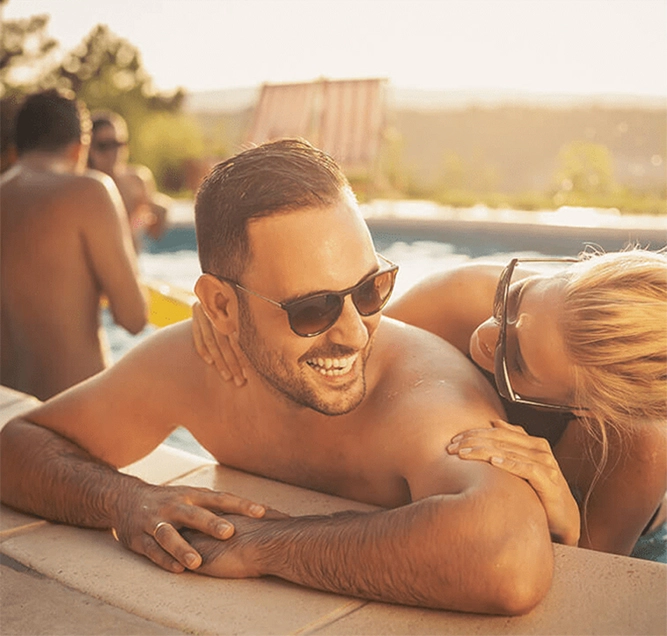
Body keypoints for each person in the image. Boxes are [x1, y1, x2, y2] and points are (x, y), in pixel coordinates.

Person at [0, 139, 554, 616]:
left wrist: (269, 546)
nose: (356, 334)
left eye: (369, 291)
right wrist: (124, 499)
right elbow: (18, 447)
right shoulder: (199, 366)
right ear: (220, 308)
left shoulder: (422, 392)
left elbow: (507, 555)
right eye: (311, 310)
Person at [196, 249, 667, 561]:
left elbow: (590, 582)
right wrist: (242, 312)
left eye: (514, 361)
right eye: (513, 296)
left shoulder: (637, 447)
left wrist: (566, 521)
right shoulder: (462, 296)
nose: (484, 334)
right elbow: (334, 362)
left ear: (583, 410)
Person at [0, 89, 148, 401]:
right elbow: (133, 318)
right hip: (73, 412)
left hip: (8, 412)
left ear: (15, 151)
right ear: (79, 149)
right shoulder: (89, 192)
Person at [87, 111, 171, 251]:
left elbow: (154, 233)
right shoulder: (83, 187)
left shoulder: (137, 180)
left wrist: (159, 209)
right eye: (104, 145)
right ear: (89, 148)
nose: (113, 152)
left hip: (132, 262)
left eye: (118, 144)